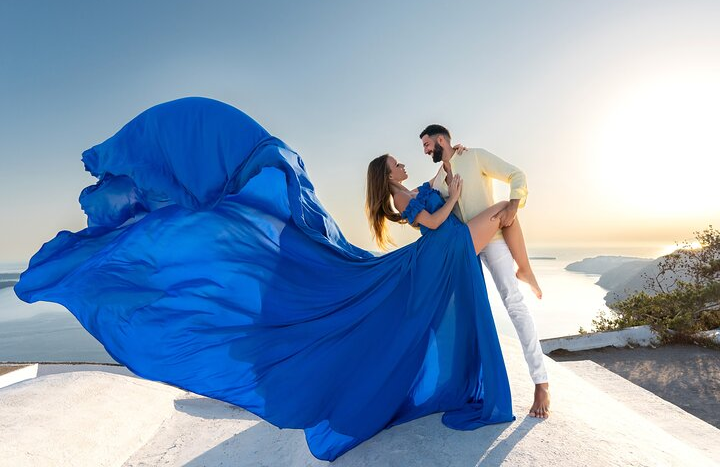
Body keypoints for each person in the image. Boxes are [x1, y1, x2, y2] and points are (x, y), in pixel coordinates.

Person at [13, 97, 514, 462]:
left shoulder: (412, 187)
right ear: (387, 176)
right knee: (494, 228)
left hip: (439, 252)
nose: (405, 160)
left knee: (447, 299)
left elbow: (440, 185)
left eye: (406, 157)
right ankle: (505, 341)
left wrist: (451, 166)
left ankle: (497, 338)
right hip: (436, 251)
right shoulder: (405, 198)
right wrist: (456, 194)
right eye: (397, 162)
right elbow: (433, 220)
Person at [419, 124, 550, 418]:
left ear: (442, 140)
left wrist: (514, 204)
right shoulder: (438, 179)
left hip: (493, 240)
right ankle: (460, 385)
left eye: (428, 144)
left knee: (513, 303)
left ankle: (541, 383)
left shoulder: (474, 156)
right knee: (460, 314)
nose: (426, 150)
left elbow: (516, 174)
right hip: (466, 251)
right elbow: (416, 198)